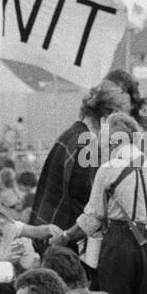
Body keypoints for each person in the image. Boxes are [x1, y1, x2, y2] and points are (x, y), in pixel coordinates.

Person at [54, 113, 147, 294]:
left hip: (119, 248)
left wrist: (64, 236)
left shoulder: (108, 169)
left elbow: (91, 220)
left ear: (112, 144)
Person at [30, 80, 130, 230]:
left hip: (47, 226)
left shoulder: (71, 134)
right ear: (108, 117)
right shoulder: (86, 143)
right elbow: (91, 202)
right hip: (62, 236)